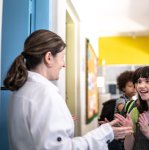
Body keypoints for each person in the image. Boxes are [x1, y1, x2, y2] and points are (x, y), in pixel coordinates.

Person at [3, 29, 133, 150]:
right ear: (49, 57)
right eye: (62, 57)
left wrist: (63, 121)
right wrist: (105, 132)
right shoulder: (45, 93)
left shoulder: (21, 90)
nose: (64, 64)